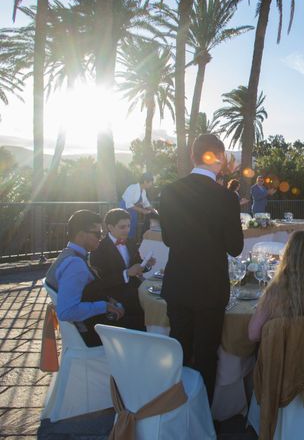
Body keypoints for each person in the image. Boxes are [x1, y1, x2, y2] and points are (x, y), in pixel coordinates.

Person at [159, 134, 244, 404]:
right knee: (207, 353)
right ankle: (202, 418)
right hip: (210, 287)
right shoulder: (226, 198)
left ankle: (175, 411)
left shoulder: (170, 191)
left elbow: (169, 239)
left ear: (194, 157)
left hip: (179, 283)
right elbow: (235, 248)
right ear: (217, 158)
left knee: (179, 347)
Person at [44, 210, 131, 347]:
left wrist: (107, 300)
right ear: (81, 235)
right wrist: (105, 306)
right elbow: (67, 311)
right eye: (97, 234)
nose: (101, 237)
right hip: (91, 334)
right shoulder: (75, 264)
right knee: (142, 321)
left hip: (88, 327)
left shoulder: (68, 255)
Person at [89, 208, 153, 333]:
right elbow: (101, 281)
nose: (127, 230)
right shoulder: (98, 249)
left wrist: (147, 265)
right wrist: (127, 273)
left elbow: (137, 265)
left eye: (129, 226)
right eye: (122, 227)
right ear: (110, 227)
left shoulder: (130, 242)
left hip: (134, 289)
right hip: (115, 295)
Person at [120, 173, 158, 240]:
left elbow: (146, 203)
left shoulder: (143, 191)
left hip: (133, 211)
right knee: (125, 228)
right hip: (124, 210)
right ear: (145, 181)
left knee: (132, 228)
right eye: (151, 183)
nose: (151, 185)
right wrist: (142, 211)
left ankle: (131, 244)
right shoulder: (132, 187)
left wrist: (154, 211)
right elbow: (128, 204)